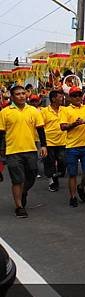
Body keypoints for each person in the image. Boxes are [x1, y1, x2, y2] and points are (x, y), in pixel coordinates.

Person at [0, 85, 47, 218]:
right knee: (17, 180)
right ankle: (19, 206)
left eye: (23, 93)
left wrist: (44, 145)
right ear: (12, 96)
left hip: (31, 149)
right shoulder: (5, 112)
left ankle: (23, 192)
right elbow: (1, 133)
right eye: (18, 94)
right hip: (13, 151)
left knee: (31, 176)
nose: (21, 96)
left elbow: (40, 129)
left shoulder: (33, 111)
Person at [59, 86, 85, 207]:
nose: (77, 97)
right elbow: (63, 127)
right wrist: (74, 124)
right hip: (71, 147)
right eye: (74, 95)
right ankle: (73, 197)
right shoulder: (65, 110)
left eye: (79, 95)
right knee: (72, 174)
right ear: (70, 98)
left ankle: (81, 187)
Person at [41, 90, 66, 192]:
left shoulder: (65, 110)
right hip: (49, 142)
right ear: (53, 99)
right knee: (50, 163)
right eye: (60, 97)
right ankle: (52, 181)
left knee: (63, 161)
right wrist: (42, 144)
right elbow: (40, 127)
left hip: (63, 141)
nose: (62, 99)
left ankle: (57, 174)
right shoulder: (44, 112)